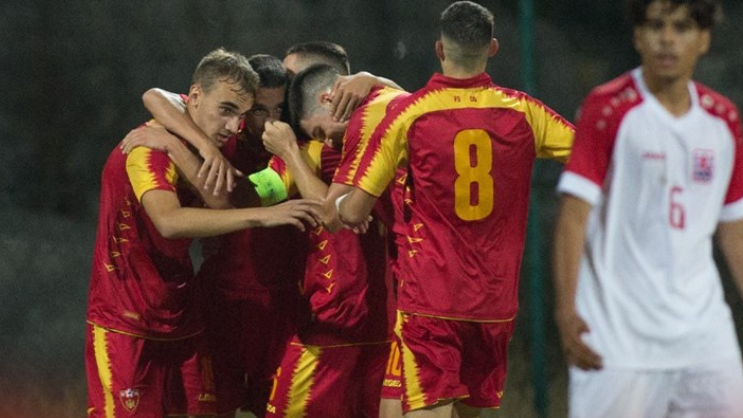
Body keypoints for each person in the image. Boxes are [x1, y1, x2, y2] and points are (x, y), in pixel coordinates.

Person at [334, 2, 575, 417]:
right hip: (494, 306)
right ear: (493, 47)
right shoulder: (524, 112)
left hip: (431, 301)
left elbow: (354, 212)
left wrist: (337, 203)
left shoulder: (408, 114)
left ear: (439, 49)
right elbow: (590, 151)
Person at [85, 48, 321, 418]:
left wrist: (192, 147)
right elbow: (169, 221)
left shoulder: (285, 150)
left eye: (274, 110)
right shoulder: (148, 148)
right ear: (194, 96)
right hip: (130, 317)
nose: (238, 124)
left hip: (191, 312)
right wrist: (192, 147)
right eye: (237, 111)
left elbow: (234, 198)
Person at [552, 1, 743, 417]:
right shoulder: (607, 110)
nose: (667, 39)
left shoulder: (723, 120)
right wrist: (565, 311)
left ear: (703, 39)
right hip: (618, 339)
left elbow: (733, 226)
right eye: (656, 26)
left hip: (704, 338)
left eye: (682, 27)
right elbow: (573, 216)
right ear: (638, 36)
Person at [254, 63, 409, 418]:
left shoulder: (386, 140)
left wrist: (288, 152)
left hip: (374, 334)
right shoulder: (316, 153)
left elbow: (332, 214)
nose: (325, 140)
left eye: (320, 129)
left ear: (330, 97)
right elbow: (250, 193)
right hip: (335, 330)